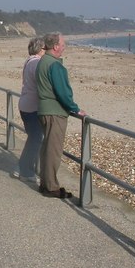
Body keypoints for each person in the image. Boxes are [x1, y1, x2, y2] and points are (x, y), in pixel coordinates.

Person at [36, 32, 86, 199]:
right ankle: (51, 187)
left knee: (47, 148)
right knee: (53, 150)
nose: (64, 47)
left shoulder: (43, 61)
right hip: (54, 112)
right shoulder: (54, 65)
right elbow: (62, 92)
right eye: (63, 44)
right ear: (56, 46)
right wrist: (74, 108)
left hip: (44, 109)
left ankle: (46, 183)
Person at [13, 36, 45, 183]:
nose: (46, 51)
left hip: (25, 104)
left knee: (33, 138)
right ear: (40, 49)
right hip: (31, 106)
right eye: (45, 48)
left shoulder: (29, 61)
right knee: (36, 138)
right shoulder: (37, 63)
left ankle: (22, 168)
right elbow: (41, 85)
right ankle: (25, 171)